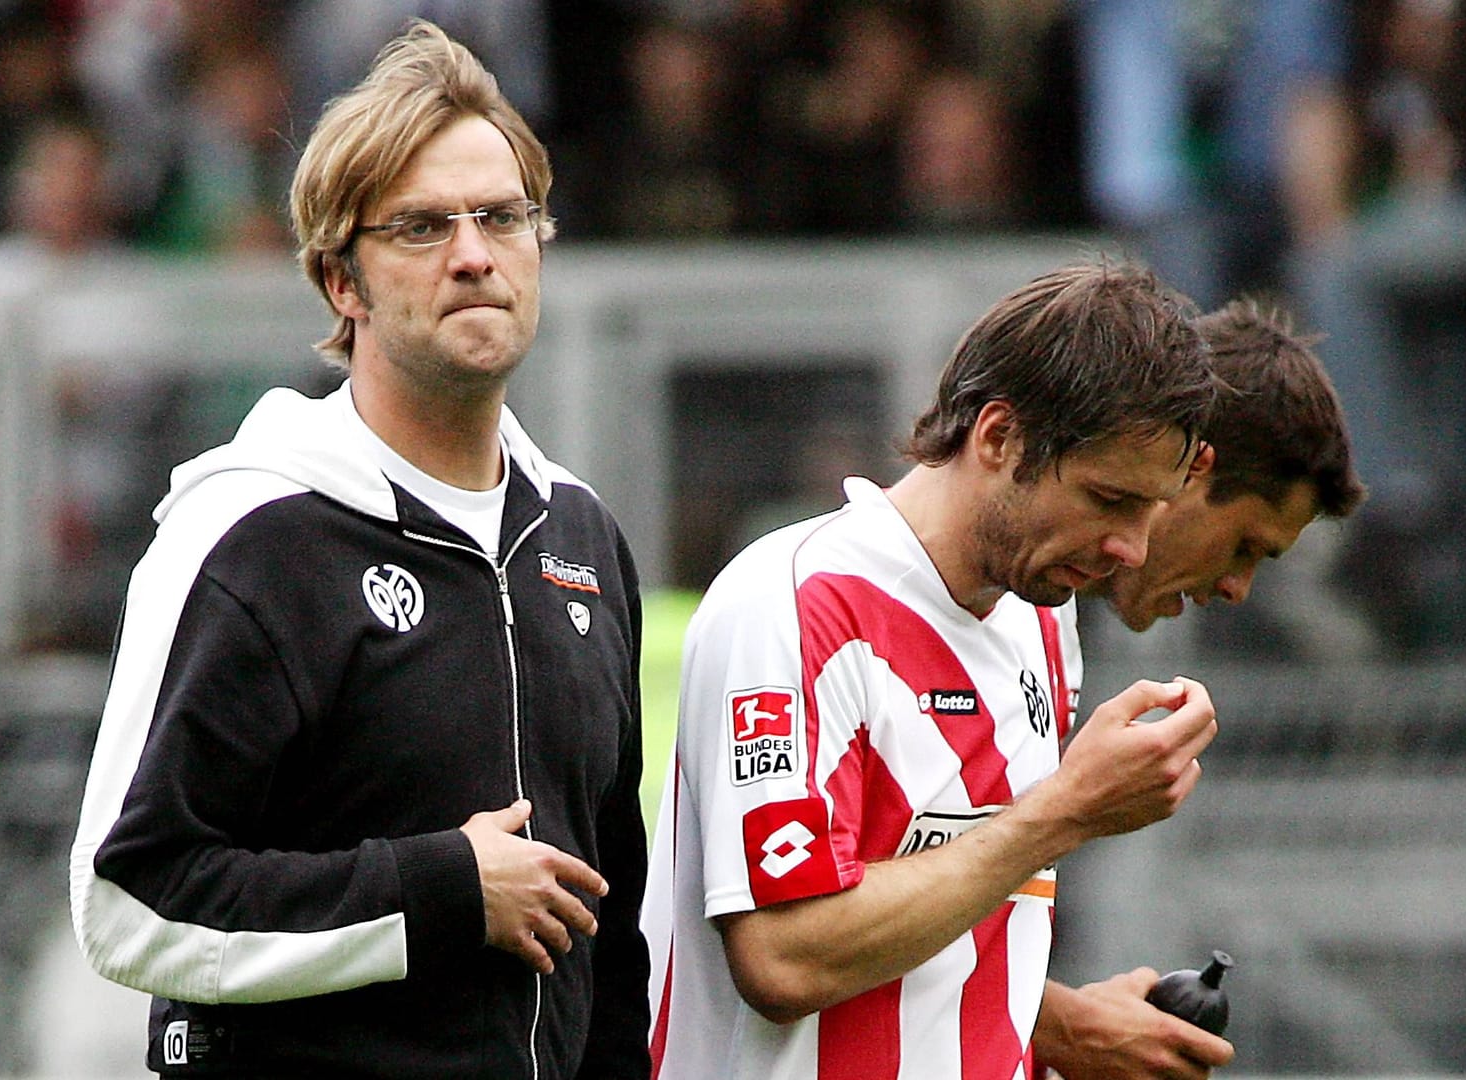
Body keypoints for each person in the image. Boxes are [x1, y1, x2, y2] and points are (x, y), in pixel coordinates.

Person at [69, 20, 649, 1079]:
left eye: (502, 217)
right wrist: (437, 891)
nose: (475, 253)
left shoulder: (581, 536)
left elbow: (610, 943)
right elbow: (128, 903)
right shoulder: (252, 532)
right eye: (423, 228)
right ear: (343, 282)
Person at [643, 259, 1235, 1079]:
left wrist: (1064, 1025)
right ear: (998, 437)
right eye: (1109, 500)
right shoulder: (797, 601)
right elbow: (784, 958)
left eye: (1150, 510)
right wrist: (1065, 810)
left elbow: (955, 927)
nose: (1131, 549)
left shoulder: (1038, 618)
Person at [1105, 298, 1366, 633]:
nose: (1237, 589)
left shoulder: (1053, 626)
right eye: (1244, 548)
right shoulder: (1018, 605)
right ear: (1186, 470)